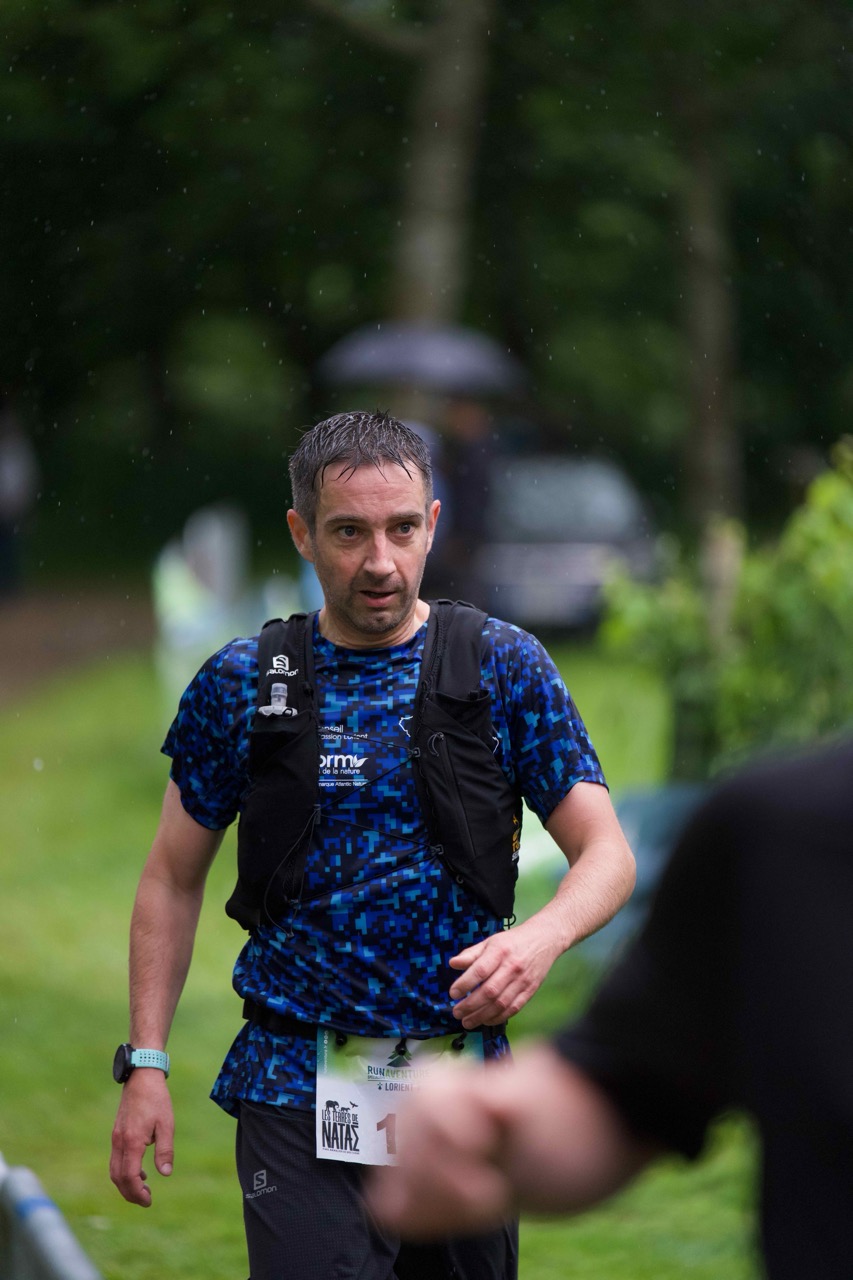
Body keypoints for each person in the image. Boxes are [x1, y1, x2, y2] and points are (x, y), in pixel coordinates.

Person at [109, 410, 635, 1280]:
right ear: (302, 533)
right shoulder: (245, 683)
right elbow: (170, 877)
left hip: (458, 1088)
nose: (380, 562)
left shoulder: (504, 667)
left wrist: (540, 938)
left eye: (401, 529)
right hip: (292, 1079)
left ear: (433, 524)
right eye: (349, 532)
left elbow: (606, 853)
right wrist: (146, 1064)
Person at [367, 736, 853, 1280]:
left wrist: (542, 938)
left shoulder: (512, 680)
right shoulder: (782, 832)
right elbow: (624, 1090)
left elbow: (606, 852)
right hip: (306, 1073)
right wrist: (487, 1116)